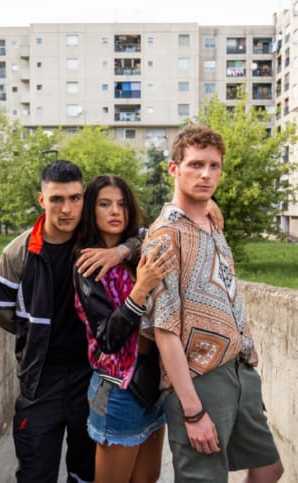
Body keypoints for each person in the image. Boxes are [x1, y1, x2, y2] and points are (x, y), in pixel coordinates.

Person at [141, 125, 284, 482]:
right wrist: (193, 412)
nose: (206, 174)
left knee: (269, 469)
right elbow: (165, 330)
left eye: (214, 166)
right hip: (198, 378)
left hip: (239, 368)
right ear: (174, 169)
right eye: (195, 164)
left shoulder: (210, 222)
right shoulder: (165, 236)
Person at [0, 160, 129, 483]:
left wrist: (120, 251)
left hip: (91, 377)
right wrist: (36, 338)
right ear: (42, 200)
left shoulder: (98, 244)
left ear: (84, 199)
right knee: (36, 473)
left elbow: (147, 236)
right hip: (41, 381)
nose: (66, 209)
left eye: (75, 198)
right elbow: (3, 313)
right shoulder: (17, 254)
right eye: (56, 199)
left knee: (86, 473)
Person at [73, 175, 175, 483]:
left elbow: (163, 231)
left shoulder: (137, 251)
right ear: (91, 210)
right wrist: (140, 289)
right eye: (105, 204)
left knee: (147, 478)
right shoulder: (88, 264)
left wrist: (121, 252)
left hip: (153, 381)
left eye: (122, 204)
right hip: (119, 388)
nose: (115, 211)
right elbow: (108, 339)